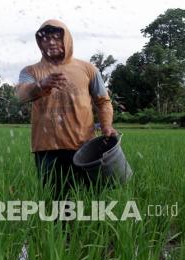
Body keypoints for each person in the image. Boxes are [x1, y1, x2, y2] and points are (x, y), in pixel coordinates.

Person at [15, 19, 117, 201]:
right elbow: (21, 95)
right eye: (45, 39)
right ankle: (60, 230)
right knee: (56, 200)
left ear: (67, 40)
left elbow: (103, 101)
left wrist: (107, 126)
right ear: (40, 43)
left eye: (56, 37)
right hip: (47, 149)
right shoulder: (31, 71)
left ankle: (86, 229)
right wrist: (40, 85)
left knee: (88, 197)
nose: (51, 42)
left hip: (84, 147)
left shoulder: (88, 69)